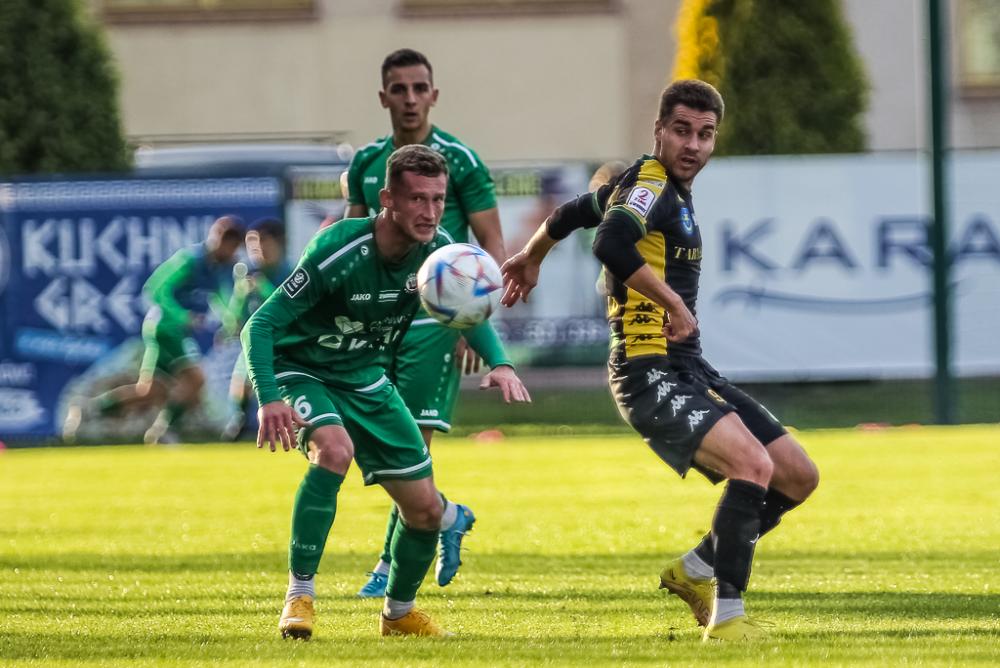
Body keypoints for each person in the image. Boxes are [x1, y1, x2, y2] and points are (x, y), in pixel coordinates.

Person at [501, 80, 819, 642]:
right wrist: (672, 302)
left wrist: (531, 255)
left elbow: (577, 210)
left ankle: (694, 570)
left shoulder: (650, 185)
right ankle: (728, 619)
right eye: (681, 131)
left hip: (687, 366)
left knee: (797, 474)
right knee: (753, 467)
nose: (693, 145)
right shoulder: (651, 183)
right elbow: (609, 242)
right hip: (646, 370)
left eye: (705, 134)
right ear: (659, 131)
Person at [242, 145, 529, 640]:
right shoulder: (339, 249)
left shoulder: (438, 252)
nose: (430, 211)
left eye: (438, 199)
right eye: (417, 199)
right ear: (387, 199)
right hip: (303, 370)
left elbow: (469, 307)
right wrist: (269, 398)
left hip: (366, 378)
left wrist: (500, 362)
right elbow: (260, 325)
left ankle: (398, 615)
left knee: (426, 510)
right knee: (334, 451)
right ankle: (299, 597)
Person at [344, 47, 519, 598]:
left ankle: (388, 565)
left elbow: (491, 243)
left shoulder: (460, 160)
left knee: (409, 447)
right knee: (371, 444)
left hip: (432, 321)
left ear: (434, 95)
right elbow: (355, 241)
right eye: (400, 89)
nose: (411, 98)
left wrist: (473, 319)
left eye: (420, 88)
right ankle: (444, 517)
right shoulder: (366, 163)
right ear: (383, 98)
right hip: (379, 323)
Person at [63, 215, 245, 445]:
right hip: (165, 327)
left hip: (177, 332)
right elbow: (156, 289)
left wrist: (231, 323)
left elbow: (220, 299)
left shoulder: (220, 268)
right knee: (196, 379)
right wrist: (183, 316)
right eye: (231, 245)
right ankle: (163, 431)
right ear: (220, 240)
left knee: (149, 392)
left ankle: (89, 409)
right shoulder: (190, 260)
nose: (233, 252)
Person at [222, 218, 292, 440]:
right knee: (241, 383)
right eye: (251, 242)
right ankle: (240, 422)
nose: (256, 248)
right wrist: (231, 324)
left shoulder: (290, 271)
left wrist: (262, 287)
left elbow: (288, 305)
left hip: (286, 340)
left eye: (262, 241)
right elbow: (237, 308)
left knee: (287, 385)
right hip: (257, 338)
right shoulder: (245, 271)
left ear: (278, 243)